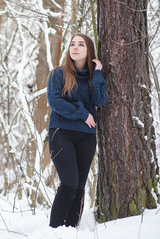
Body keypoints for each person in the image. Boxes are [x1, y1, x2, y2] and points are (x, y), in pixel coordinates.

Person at [47, 33, 108, 228]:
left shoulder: (92, 77)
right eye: (73, 44)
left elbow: (100, 101)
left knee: (80, 187)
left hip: (87, 137)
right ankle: (54, 231)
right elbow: (55, 101)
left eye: (81, 44)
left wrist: (97, 74)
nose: (75, 47)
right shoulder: (58, 73)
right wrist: (82, 113)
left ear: (89, 50)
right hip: (61, 132)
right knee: (69, 183)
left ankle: (72, 230)